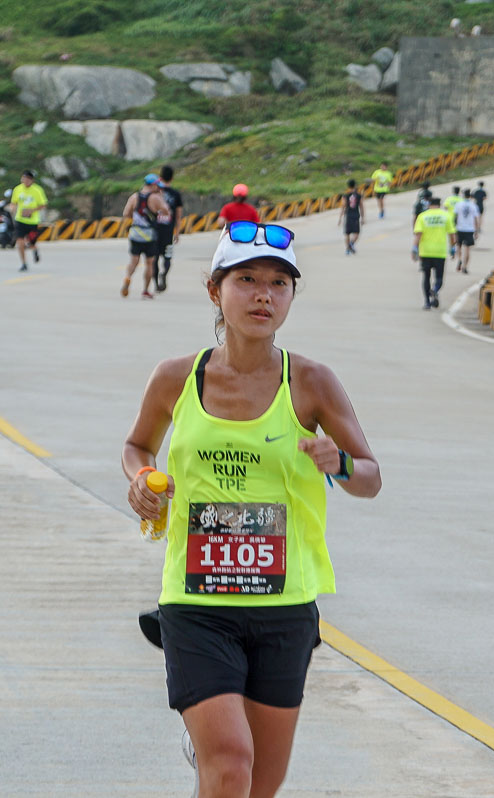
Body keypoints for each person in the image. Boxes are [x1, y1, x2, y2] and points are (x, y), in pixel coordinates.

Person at [122, 221, 381, 798]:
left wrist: (337, 463)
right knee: (233, 762)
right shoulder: (176, 377)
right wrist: (141, 477)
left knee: (260, 782)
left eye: (278, 284)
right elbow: (137, 445)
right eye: (247, 280)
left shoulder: (311, 382)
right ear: (215, 291)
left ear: (291, 296)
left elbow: (370, 477)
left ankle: (211, 756)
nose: (263, 294)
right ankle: (213, 744)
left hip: (283, 605)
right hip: (196, 600)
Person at [122, 174, 171, 299]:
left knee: (134, 261)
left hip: (135, 233)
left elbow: (126, 213)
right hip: (149, 235)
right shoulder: (156, 198)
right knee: (149, 263)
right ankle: (145, 290)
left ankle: (128, 278)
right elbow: (166, 211)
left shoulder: (134, 197)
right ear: (153, 185)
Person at [412, 196, 455, 310]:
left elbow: (418, 234)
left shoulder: (423, 216)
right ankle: (435, 290)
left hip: (425, 251)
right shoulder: (446, 216)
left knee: (426, 277)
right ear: (439, 204)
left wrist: (414, 248)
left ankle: (427, 302)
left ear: (429, 204)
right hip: (440, 252)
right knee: (439, 277)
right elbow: (451, 234)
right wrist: (453, 247)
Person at [8, 169, 47, 272]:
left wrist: (31, 211)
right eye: (24, 178)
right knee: (20, 242)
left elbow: (43, 204)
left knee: (31, 243)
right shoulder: (17, 189)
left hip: (32, 221)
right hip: (20, 220)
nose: (25, 181)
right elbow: (14, 202)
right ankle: (24, 263)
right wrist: (12, 208)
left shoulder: (37, 190)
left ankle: (35, 250)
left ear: (32, 180)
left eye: (28, 179)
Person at [155, 165, 184, 293]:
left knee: (154, 258)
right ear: (172, 178)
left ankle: (156, 283)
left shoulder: (154, 192)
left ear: (160, 177)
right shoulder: (175, 194)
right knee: (167, 257)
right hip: (168, 231)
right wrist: (177, 233)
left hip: (154, 231)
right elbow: (178, 216)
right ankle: (164, 274)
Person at [452, 188, 480, 273]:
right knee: (467, 249)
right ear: (470, 196)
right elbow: (476, 219)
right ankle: (465, 266)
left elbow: (455, 217)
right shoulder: (474, 205)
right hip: (469, 229)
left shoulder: (458, 204)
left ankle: (460, 259)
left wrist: (454, 227)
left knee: (458, 246)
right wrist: (476, 231)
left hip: (460, 228)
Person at [338, 178, 363, 255]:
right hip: (356, 215)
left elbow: (343, 206)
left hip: (348, 215)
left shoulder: (345, 195)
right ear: (355, 185)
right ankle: (351, 244)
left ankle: (347, 249)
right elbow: (361, 206)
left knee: (347, 233)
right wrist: (363, 217)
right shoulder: (359, 195)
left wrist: (340, 218)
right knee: (357, 233)